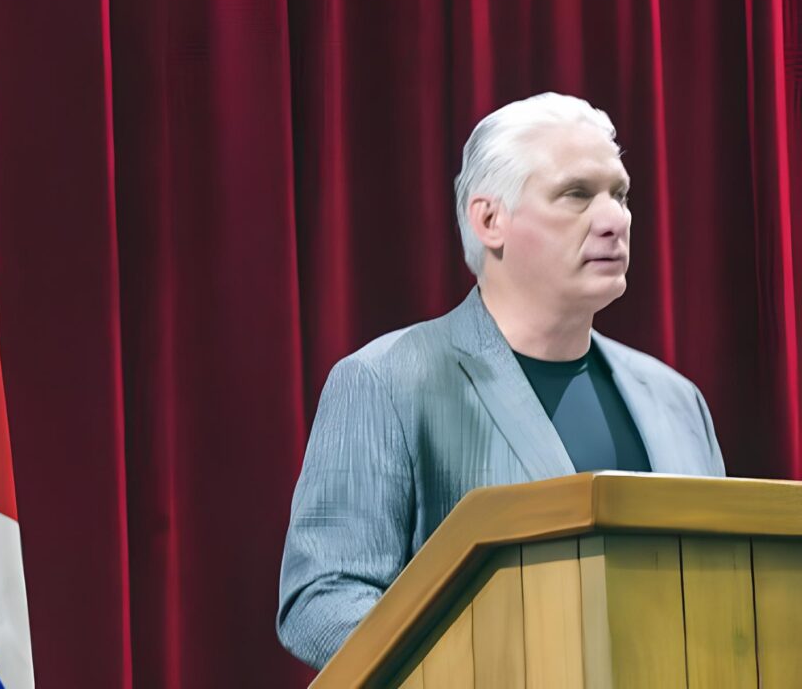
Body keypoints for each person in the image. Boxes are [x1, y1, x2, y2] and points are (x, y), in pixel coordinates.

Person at [275, 92, 726, 670]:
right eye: (576, 194)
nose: (616, 220)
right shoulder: (385, 382)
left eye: (620, 194)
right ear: (490, 220)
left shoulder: (676, 400)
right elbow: (322, 599)